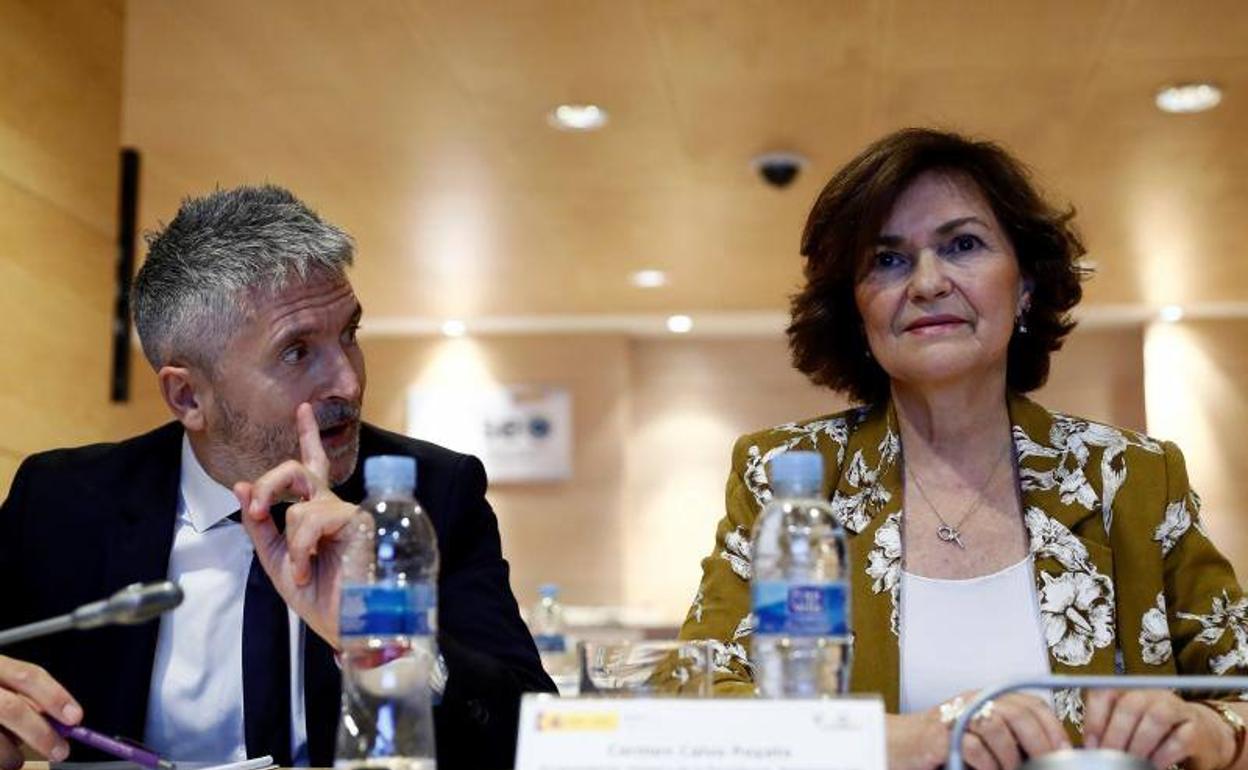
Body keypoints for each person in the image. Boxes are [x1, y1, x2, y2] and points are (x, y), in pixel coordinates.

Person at [680, 128, 1248, 770]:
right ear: (857, 310)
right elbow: (695, 699)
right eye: (887, 260)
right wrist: (890, 743)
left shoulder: (1132, 477)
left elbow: (1239, 690)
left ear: (1025, 284)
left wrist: (1212, 731)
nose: (927, 282)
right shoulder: (785, 477)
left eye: (963, 245)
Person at [0, 185, 554, 770]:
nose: (349, 382)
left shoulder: (428, 495)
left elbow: (533, 739)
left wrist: (385, 632)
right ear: (188, 396)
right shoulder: (63, 503)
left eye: (349, 334)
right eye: (297, 352)